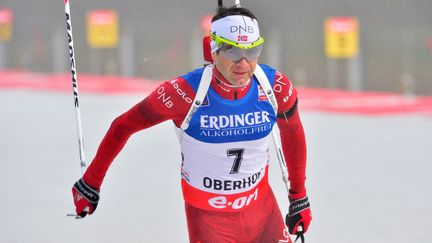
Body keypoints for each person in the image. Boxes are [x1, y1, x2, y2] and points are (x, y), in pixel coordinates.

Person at [72, 5, 312, 243]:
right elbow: (123, 126)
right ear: (213, 49)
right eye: (232, 51)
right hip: (210, 224)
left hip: (263, 218)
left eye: (252, 51)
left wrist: (299, 196)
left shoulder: (274, 87)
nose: (243, 63)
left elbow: (293, 133)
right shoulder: (184, 93)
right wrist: (91, 182)